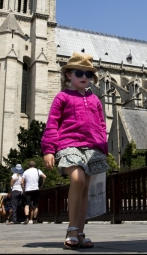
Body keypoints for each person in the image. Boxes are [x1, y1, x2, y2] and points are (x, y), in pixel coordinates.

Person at [41, 52, 109, 249]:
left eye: (89, 74)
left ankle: (80, 231)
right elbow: (52, 124)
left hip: (91, 147)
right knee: (77, 179)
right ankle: (71, 228)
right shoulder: (62, 97)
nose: (85, 77)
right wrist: (49, 149)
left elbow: (101, 124)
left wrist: (102, 146)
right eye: (80, 72)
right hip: (69, 144)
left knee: (85, 189)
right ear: (68, 74)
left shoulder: (95, 99)